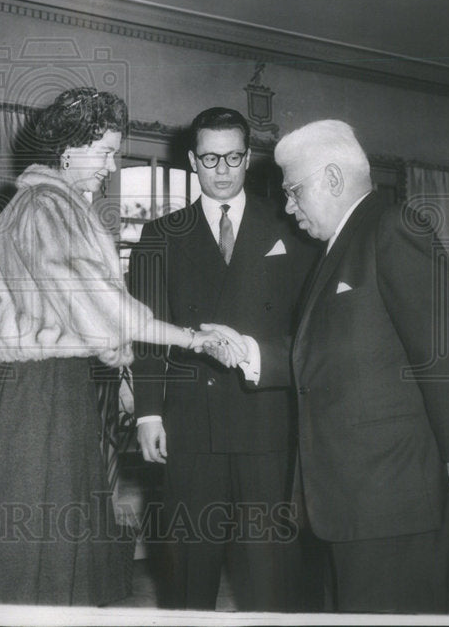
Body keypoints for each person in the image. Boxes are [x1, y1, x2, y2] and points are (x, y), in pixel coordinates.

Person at [0, 88, 226, 606]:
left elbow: (80, 309)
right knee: (32, 541)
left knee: (35, 542)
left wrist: (118, 362)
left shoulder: (52, 205)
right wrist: (191, 338)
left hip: (42, 389)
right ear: (67, 150)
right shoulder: (46, 206)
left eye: (114, 152)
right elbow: (100, 304)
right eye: (102, 151)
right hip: (36, 394)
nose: (110, 165)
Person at [220, 119, 449, 613]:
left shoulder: (391, 227)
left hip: (392, 499)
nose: (287, 206)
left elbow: (447, 342)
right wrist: (247, 352)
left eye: (294, 191)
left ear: (333, 179)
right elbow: (332, 352)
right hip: (353, 497)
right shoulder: (338, 248)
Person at [127, 107, 318, 611]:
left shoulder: (292, 228)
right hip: (191, 424)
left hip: (268, 420)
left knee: (271, 570)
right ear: (193, 160)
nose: (222, 169)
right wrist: (148, 411)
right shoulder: (160, 235)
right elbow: (145, 333)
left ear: (248, 157)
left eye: (233, 156)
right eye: (210, 157)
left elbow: (309, 326)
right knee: (191, 567)